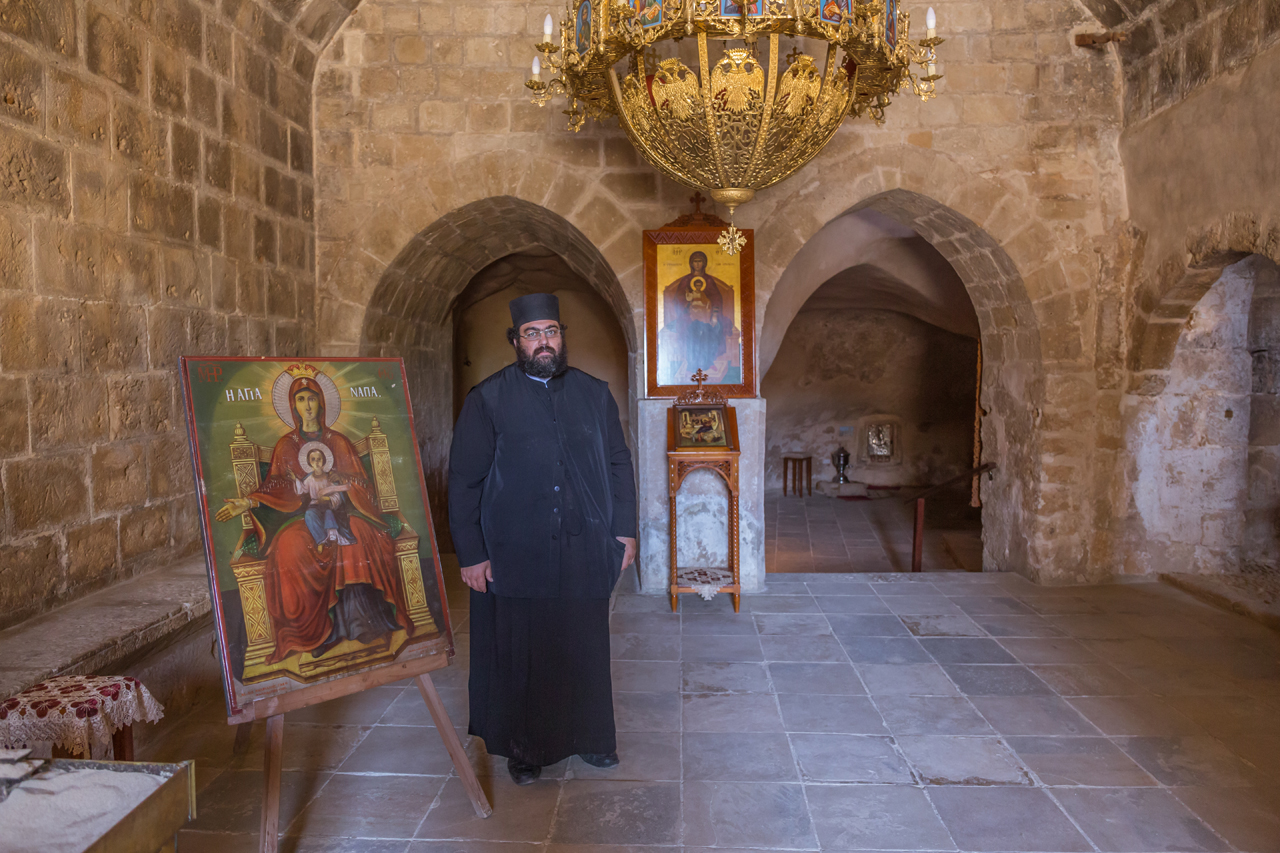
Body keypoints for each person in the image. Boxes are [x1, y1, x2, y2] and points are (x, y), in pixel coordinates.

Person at [448, 293, 637, 785]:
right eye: (532, 334)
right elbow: (464, 481)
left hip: (584, 545)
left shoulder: (595, 394)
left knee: (584, 646)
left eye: (551, 331)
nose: (543, 342)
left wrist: (624, 530)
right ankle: (524, 749)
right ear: (516, 342)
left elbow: (619, 463)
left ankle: (593, 740)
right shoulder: (487, 399)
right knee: (523, 652)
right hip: (516, 551)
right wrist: (471, 553)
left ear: (561, 336)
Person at [215, 370, 412, 663]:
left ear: (322, 403)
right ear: (293, 406)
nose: (308, 406)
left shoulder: (340, 441)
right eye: (301, 399)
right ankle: (317, 634)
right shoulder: (286, 445)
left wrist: (338, 481)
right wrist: (248, 502)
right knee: (292, 547)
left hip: (343, 511)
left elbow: (361, 484)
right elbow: (278, 486)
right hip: (300, 516)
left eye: (313, 399)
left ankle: (363, 623)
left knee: (363, 536)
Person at [661, 251, 736, 383]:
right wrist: (688, 304)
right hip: (689, 315)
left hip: (707, 315)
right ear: (691, 263)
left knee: (712, 330)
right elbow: (678, 298)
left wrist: (713, 315)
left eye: (700, 261)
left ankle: (709, 361)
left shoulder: (708, 280)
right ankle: (691, 365)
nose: (697, 264)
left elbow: (717, 298)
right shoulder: (686, 280)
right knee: (691, 332)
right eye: (695, 261)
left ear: (704, 263)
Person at [296, 443, 356, 551]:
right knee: (309, 515)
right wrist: (294, 479)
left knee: (329, 513)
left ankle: (332, 534)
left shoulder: (329, 477)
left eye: (319, 459)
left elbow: (337, 493)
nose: (316, 462)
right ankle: (321, 540)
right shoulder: (309, 479)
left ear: (323, 461)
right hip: (315, 505)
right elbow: (302, 490)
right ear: (309, 462)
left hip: (328, 504)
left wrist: (328, 499)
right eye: (313, 459)